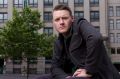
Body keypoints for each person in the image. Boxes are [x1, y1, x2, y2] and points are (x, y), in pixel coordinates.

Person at [36, 4, 120, 79]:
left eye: (64, 18)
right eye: (57, 19)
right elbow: (55, 67)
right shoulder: (58, 42)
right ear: (53, 22)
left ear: (72, 19)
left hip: (99, 74)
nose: (61, 22)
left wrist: (88, 70)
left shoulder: (80, 24)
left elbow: (95, 38)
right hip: (73, 75)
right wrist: (66, 77)